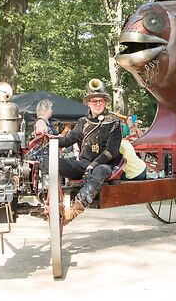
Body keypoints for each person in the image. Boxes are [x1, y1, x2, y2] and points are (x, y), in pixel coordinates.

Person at [43, 80, 123, 223]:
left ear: (105, 102)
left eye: (101, 101)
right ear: (88, 103)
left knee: (99, 171)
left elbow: (112, 151)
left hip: (105, 166)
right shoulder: (83, 122)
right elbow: (69, 139)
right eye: (94, 101)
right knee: (49, 163)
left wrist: (94, 164)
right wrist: (52, 140)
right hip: (84, 164)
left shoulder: (114, 123)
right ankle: (46, 200)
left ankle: (75, 209)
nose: (98, 104)